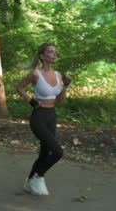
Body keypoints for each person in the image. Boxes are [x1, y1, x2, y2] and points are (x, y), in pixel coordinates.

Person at [16, 42, 72, 196]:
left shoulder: (58, 75)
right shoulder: (35, 74)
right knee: (58, 152)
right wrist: (30, 100)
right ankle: (38, 176)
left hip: (51, 116)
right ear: (42, 56)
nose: (55, 54)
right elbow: (19, 87)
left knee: (44, 154)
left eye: (55, 52)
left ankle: (28, 183)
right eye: (51, 52)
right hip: (39, 116)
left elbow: (59, 101)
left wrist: (66, 86)